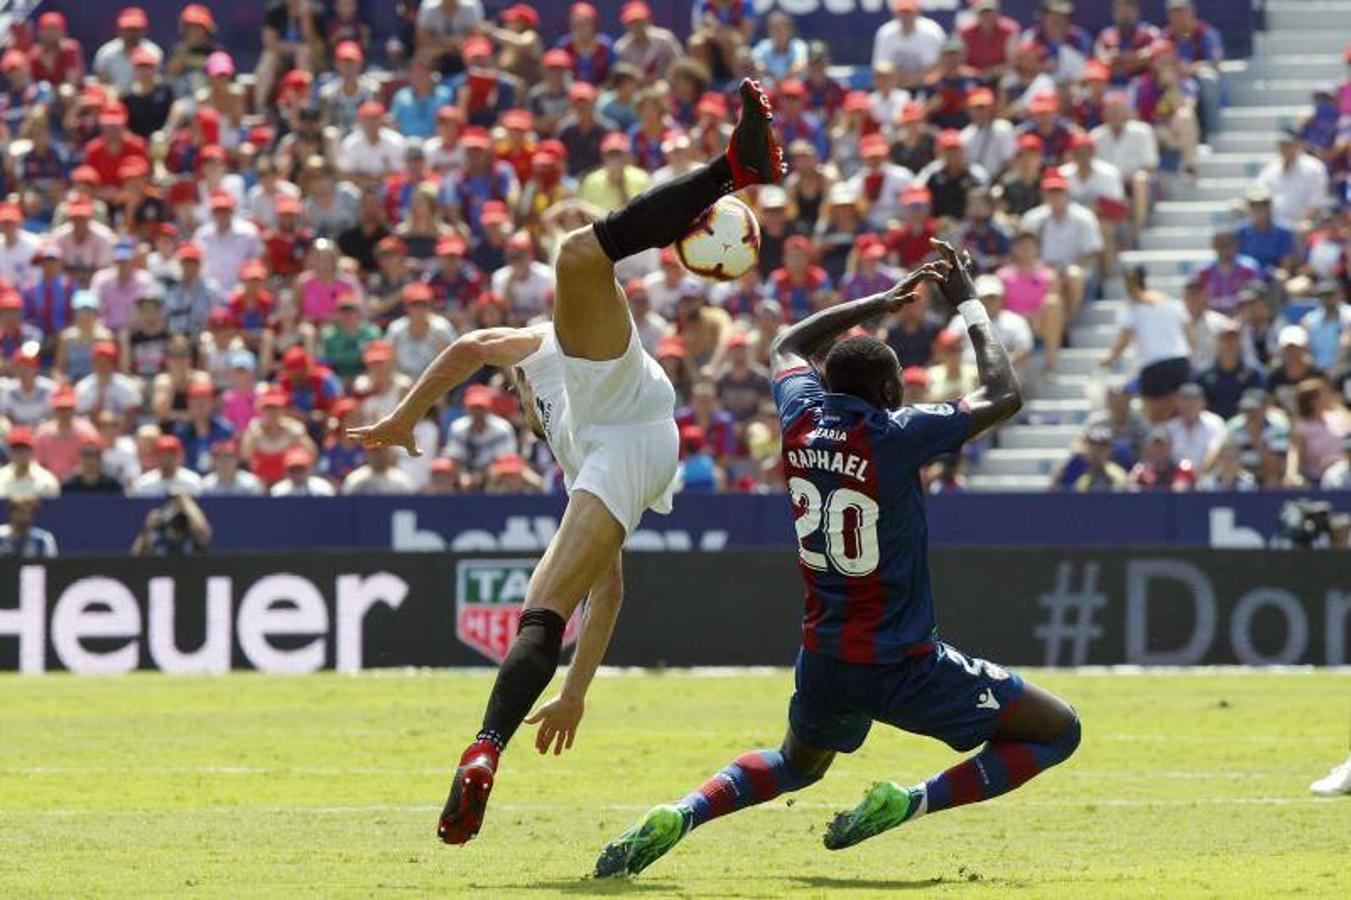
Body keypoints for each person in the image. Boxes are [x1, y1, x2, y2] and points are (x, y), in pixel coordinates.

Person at [350, 78, 786, 846]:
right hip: (632, 441)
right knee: (541, 608)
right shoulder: (566, 446)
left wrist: (401, 418)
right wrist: (576, 692)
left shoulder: (542, 352)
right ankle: (484, 750)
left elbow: (469, 347)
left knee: (578, 253)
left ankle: (732, 168)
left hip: (619, 403)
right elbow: (609, 590)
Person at [595, 241, 1079, 876]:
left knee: (795, 763)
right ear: (885, 388)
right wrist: (967, 301)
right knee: (1056, 730)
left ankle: (683, 813)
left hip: (826, 655)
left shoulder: (800, 417)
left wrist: (871, 304)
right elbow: (1004, 393)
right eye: (898, 381)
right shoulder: (897, 434)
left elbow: (787, 345)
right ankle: (909, 802)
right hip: (906, 663)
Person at [131, 490, 211, 555]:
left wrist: (185, 501)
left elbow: (203, 532)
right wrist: (147, 529)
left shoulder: (191, 531)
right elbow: (136, 555)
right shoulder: (159, 532)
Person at [0, 492, 57, 557]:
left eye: (31, 514)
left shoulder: (44, 539)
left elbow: (52, 565)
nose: (26, 518)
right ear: (11, 513)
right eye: (21, 512)